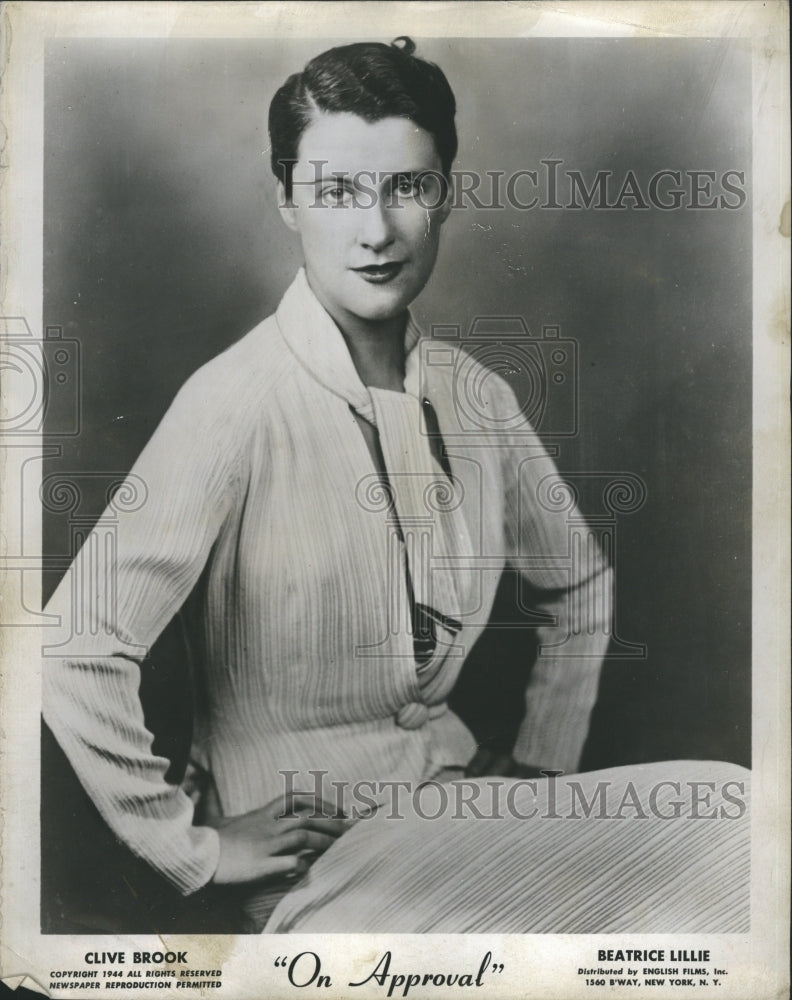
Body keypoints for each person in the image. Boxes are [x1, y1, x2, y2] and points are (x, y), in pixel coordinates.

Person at [43, 37, 748, 934]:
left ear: (444, 196)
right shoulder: (233, 402)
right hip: (328, 870)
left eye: (406, 187)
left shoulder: (475, 395)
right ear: (288, 200)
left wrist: (539, 764)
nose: (375, 230)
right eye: (337, 191)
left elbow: (579, 584)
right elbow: (72, 652)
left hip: (461, 820)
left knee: (735, 818)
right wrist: (197, 849)